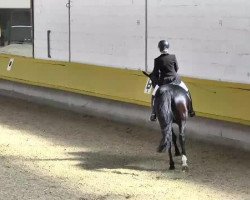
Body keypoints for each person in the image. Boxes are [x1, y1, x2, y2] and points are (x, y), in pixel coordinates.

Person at [150, 40, 195, 121]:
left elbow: (155, 73)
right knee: (187, 91)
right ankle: (191, 111)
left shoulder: (157, 60)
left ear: (159, 48)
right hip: (175, 80)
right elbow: (176, 68)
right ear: (168, 47)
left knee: (154, 95)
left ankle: (153, 114)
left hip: (163, 82)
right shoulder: (173, 57)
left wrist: (154, 76)